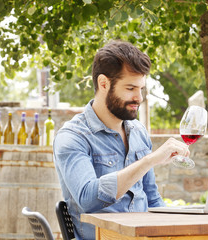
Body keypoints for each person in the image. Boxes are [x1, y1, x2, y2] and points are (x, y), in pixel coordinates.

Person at [53, 40, 189, 240]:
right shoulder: (73, 137)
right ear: (104, 83)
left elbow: (152, 198)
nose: (139, 97)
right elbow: (87, 198)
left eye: (141, 89)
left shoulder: (138, 132)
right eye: (130, 88)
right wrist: (150, 160)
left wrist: (177, 229)